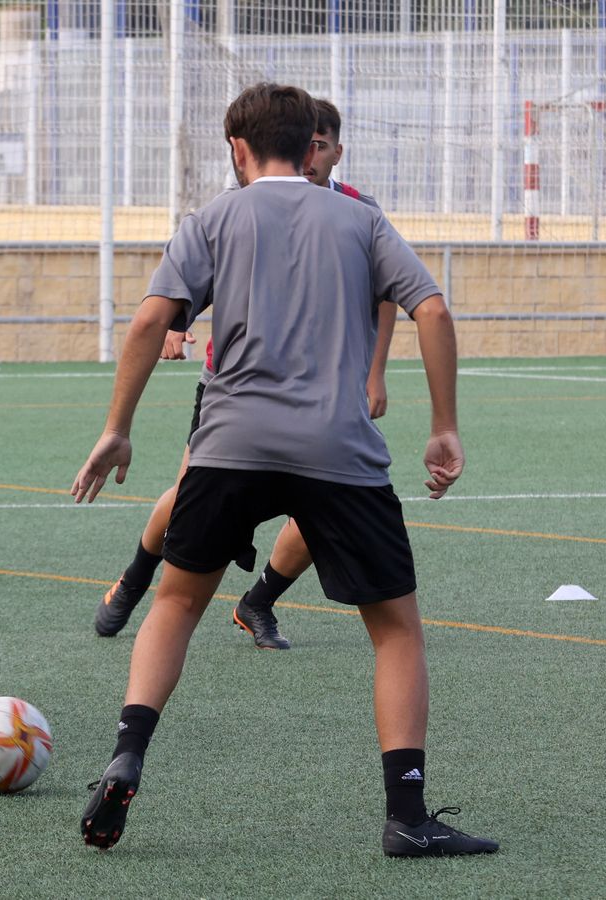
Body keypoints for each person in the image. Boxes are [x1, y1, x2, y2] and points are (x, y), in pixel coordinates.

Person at [72, 82, 496, 857]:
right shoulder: (360, 218)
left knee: (174, 605)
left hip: (230, 444)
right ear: (311, 149)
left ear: (238, 149)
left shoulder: (212, 220)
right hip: (337, 450)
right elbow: (430, 309)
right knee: (396, 631)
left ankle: (129, 752)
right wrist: (443, 426)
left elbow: (149, 320)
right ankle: (406, 817)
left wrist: (116, 429)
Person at [92, 97, 396, 651]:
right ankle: (136, 576)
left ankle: (260, 600)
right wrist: (176, 326)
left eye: (322, 147)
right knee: (188, 493)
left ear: (330, 151)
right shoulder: (240, 206)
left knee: (321, 508)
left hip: (328, 397)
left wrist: (375, 374)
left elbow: (387, 298)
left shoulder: (358, 212)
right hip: (234, 394)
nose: (312, 158)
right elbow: (184, 286)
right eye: (309, 145)